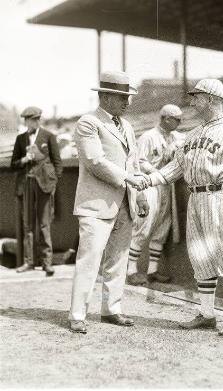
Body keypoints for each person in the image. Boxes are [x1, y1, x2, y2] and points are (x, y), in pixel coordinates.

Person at [145, 78, 223, 337]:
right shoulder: (194, 133)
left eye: (197, 97)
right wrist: (149, 180)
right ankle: (207, 315)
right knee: (200, 256)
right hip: (196, 198)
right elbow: (176, 167)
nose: (193, 101)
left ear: (212, 99)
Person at [69, 71, 149, 334]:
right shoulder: (88, 122)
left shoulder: (125, 125)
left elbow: (133, 162)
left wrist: (141, 195)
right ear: (104, 96)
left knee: (119, 259)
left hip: (125, 201)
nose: (127, 102)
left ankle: (111, 309)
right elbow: (94, 161)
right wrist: (129, 179)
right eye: (122, 97)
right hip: (96, 204)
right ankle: (78, 314)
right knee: (89, 260)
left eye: (128, 97)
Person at [127, 104, 185, 286]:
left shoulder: (176, 137)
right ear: (165, 118)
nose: (179, 122)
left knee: (162, 226)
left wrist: (176, 149)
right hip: (150, 184)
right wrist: (156, 174)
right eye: (176, 119)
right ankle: (131, 270)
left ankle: (152, 270)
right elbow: (139, 161)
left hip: (167, 187)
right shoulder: (148, 136)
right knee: (144, 224)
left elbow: (187, 145)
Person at [11, 106, 63, 276]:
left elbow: (57, 163)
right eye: (28, 120)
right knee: (27, 226)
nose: (31, 123)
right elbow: (13, 164)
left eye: (34, 120)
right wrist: (24, 159)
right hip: (26, 184)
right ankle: (29, 262)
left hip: (44, 185)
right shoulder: (20, 139)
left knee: (44, 225)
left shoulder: (48, 136)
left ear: (38, 120)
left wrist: (53, 182)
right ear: (25, 121)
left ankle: (47, 263)